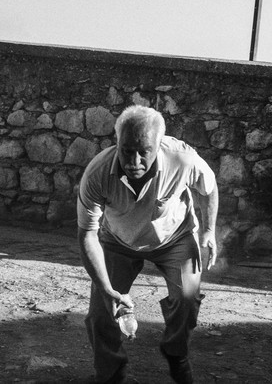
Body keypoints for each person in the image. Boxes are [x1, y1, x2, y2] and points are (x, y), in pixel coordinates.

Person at [77, 105, 219, 384]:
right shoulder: (97, 173)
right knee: (101, 314)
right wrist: (106, 289)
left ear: (159, 145)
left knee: (186, 300)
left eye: (145, 151)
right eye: (127, 150)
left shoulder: (183, 159)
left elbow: (209, 188)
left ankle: (176, 353)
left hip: (175, 237)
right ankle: (112, 375)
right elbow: (87, 234)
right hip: (118, 239)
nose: (135, 160)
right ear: (117, 142)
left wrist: (209, 231)